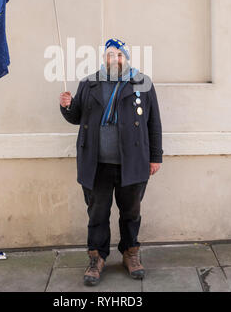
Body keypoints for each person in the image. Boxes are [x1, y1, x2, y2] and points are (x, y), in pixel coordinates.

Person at [59, 38, 163, 286]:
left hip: (133, 163)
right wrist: (67, 106)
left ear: (125, 58)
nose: (113, 59)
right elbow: (76, 116)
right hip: (96, 165)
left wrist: (155, 157)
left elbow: (154, 123)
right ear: (103, 59)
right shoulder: (89, 84)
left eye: (118, 55)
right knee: (97, 213)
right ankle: (97, 257)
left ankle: (131, 253)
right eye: (109, 55)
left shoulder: (142, 83)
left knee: (131, 213)